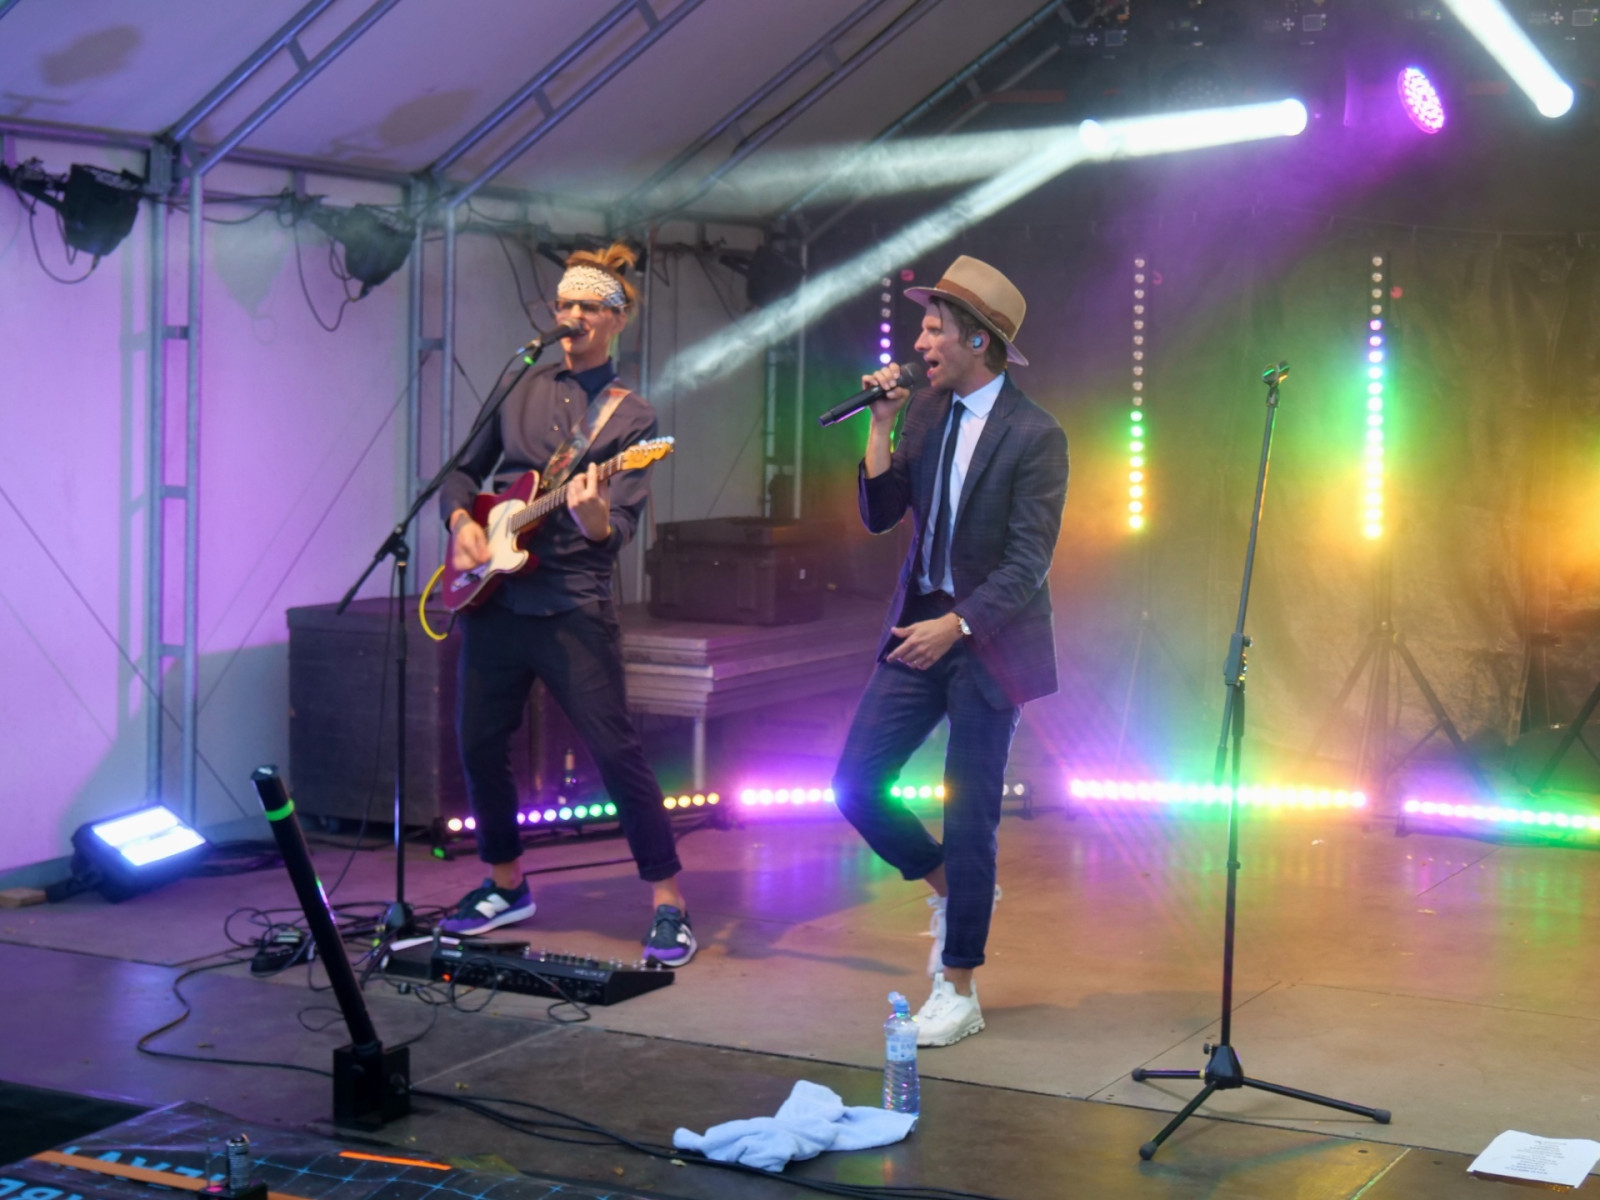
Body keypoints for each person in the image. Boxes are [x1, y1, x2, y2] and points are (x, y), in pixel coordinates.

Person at [435, 242, 695, 966]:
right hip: (496, 597)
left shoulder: (631, 418)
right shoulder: (518, 384)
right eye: (564, 304)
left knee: (615, 750)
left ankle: (669, 901)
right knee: (478, 742)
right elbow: (461, 472)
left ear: (616, 319)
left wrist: (592, 517)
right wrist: (460, 523)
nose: (573, 315)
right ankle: (505, 882)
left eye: (587, 306)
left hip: (571, 602)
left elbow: (620, 531)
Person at [833, 255, 1068, 1045]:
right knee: (855, 782)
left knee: (969, 812)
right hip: (921, 623)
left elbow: (1028, 563)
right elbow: (880, 512)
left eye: (934, 329)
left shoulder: (1036, 435)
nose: (920, 342)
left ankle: (959, 988)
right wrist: (880, 423)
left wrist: (960, 625)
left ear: (977, 339)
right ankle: (952, 887)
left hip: (990, 640)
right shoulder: (928, 411)